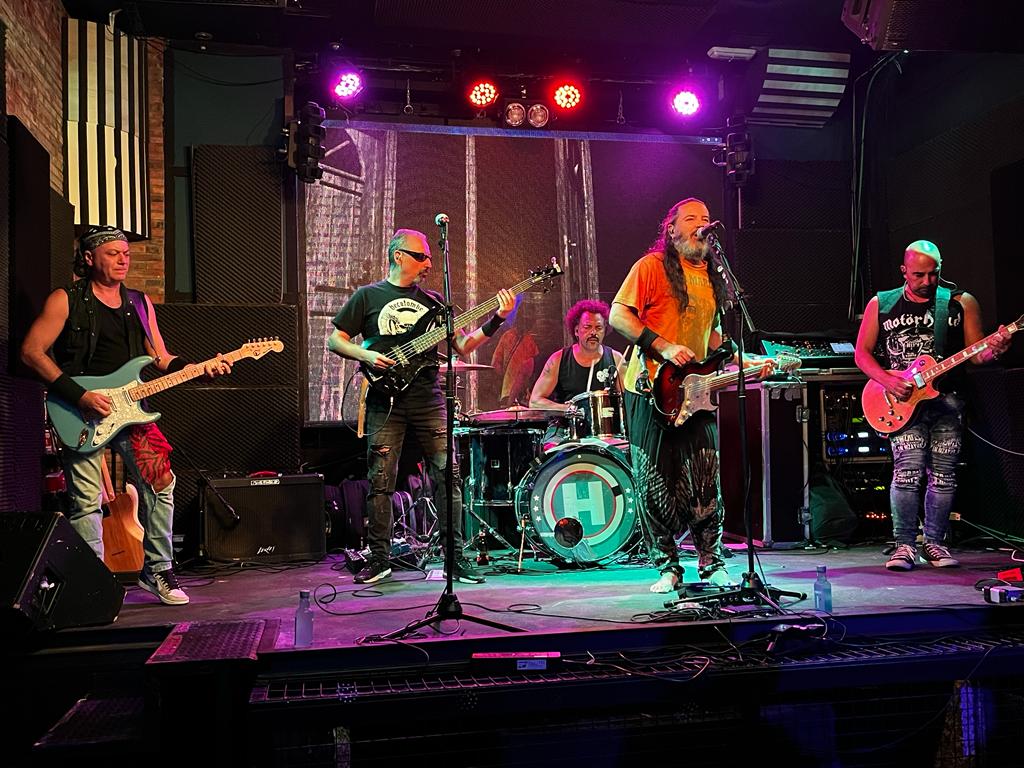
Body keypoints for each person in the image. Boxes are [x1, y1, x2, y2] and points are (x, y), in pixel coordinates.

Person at [20, 226, 232, 605]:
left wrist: (199, 368)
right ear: (89, 258)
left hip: (131, 411)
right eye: (113, 253)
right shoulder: (66, 299)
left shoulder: (139, 302)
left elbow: (160, 357)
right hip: (79, 412)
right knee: (87, 501)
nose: (123, 259)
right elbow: (31, 352)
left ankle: (158, 569)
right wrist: (80, 396)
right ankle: (94, 583)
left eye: (126, 253)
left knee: (161, 481)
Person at [327, 228, 515, 585]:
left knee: (448, 476)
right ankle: (379, 559)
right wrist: (366, 355)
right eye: (420, 256)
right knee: (381, 479)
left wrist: (498, 318)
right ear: (398, 256)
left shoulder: (434, 302)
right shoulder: (368, 296)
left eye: (430, 256)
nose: (428, 263)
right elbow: (336, 340)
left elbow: (463, 346)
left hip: (428, 397)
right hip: (385, 398)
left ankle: (455, 560)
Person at [610, 198, 775, 594]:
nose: (701, 223)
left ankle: (711, 562)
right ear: (671, 230)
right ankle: (667, 566)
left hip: (696, 390)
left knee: (705, 476)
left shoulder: (714, 276)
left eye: (705, 218)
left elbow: (712, 336)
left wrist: (746, 361)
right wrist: (663, 346)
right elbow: (618, 315)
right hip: (650, 387)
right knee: (654, 480)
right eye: (691, 218)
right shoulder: (650, 267)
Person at [854, 239, 1012, 571]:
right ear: (904, 271)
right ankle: (904, 545)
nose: (927, 281)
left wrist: (995, 350)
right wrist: (888, 381)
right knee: (907, 472)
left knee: (944, 475)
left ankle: (935, 544)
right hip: (901, 401)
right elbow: (862, 354)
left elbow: (977, 354)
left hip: (947, 402)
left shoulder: (959, 302)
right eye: (919, 275)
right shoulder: (882, 303)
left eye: (933, 274)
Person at [529, 299, 625, 450]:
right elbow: (535, 402)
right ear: (576, 331)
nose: (593, 332)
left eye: (598, 328)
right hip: (564, 429)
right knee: (552, 453)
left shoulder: (616, 359)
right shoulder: (558, 359)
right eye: (587, 327)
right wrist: (566, 409)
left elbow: (627, 401)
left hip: (606, 432)